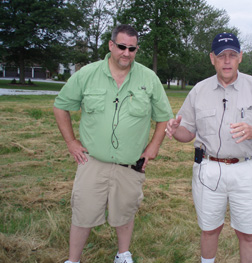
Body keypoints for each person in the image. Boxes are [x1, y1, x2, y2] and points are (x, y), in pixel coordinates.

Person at [53, 24, 173, 263]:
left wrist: (154, 146)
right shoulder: (88, 74)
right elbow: (61, 105)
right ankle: (73, 259)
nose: (126, 53)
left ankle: (123, 254)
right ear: (111, 45)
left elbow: (164, 117)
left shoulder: (149, 78)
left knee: (125, 212)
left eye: (132, 48)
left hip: (130, 163)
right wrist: (71, 141)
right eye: (121, 47)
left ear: (137, 49)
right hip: (92, 161)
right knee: (83, 212)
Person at [165, 32, 252, 263]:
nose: (227, 60)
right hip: (209, 170)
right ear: (212, 59)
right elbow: (187, 133)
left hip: (247, 171)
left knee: (248, 233)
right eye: (221, 56)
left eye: (232, 55)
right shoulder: (199, 90)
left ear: (240, 57)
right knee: (209, 229)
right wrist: (173, 129)